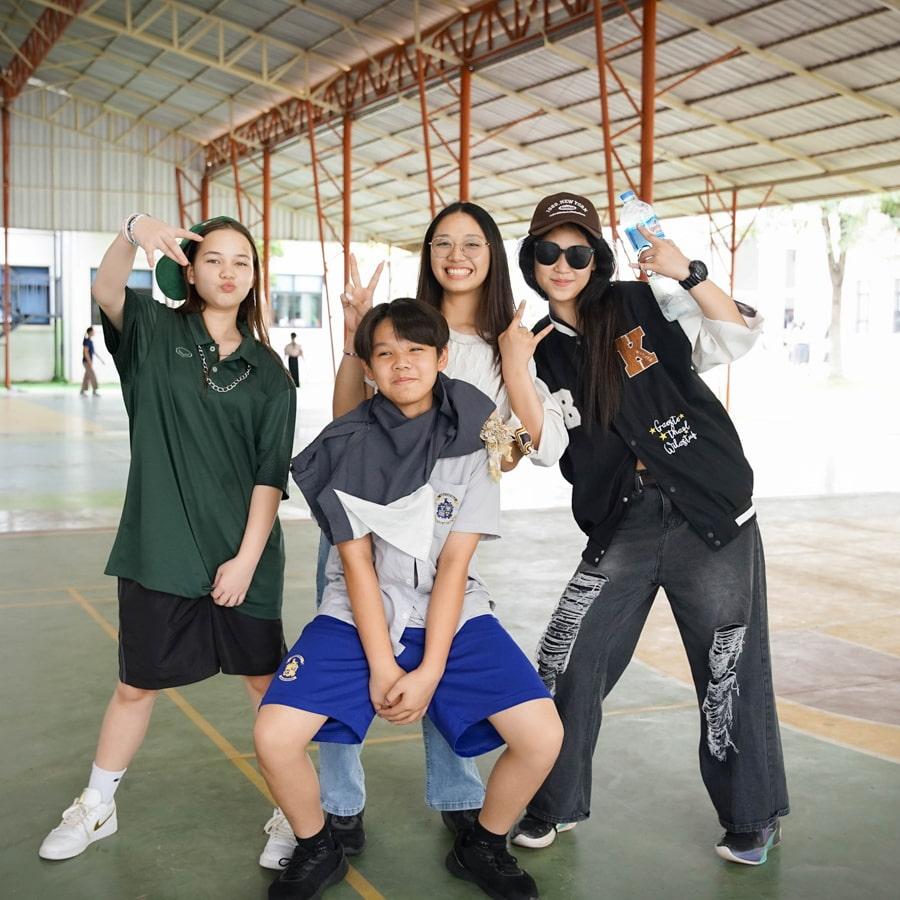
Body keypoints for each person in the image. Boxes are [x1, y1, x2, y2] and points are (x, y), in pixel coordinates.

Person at [259, 202, 568, 867]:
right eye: (443, 243)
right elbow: (351, 422)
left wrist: (509, 393)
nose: (457, 254)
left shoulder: (507, 338)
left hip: (447, 524)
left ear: (493, 252)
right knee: (351, 653)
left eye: (473, 243)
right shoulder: (401, 326)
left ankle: (461, 802)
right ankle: (336, 810)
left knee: (441, 654)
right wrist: (352, 338)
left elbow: (517, 447)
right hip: (366, 521)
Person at [510, 193, 789, 865]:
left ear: (596, 258)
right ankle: (554, 800)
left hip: (709, 512)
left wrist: (685, 270)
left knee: (727, 668)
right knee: (565, 659)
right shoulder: (535, 348)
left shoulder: (644, 303)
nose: (563, 263)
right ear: (532, 259)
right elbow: (544, 444)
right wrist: (516, 364)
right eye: (548, 251)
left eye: (577, 252)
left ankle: (751, 815)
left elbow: (737, 336)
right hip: (621, 520)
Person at [38, 214, 296, 862]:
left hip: (244, 560)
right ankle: (98, 806)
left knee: (267, 688)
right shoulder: (154, 329)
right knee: (135, 686)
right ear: (189, 268)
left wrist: (244, 560)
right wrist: (132, 230)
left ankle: (293, 812)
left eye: (242, 260)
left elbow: (270, 477)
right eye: (214, 259)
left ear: (254, 276)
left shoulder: (269, 372)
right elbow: (105, 288)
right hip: (160, 549)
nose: (229, 271)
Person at [80, 325, 103, 395]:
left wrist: (101, 359)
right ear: (90, 332)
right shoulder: (86, 341)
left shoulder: (90, 341)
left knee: (87, 376)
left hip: (89, 361)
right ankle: (95, 390)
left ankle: (83, 390)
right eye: (93, 331)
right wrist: (89, 362)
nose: (94, 332)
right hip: (86, 362)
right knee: (92, 375)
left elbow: (93, 352)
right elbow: (85, 352)